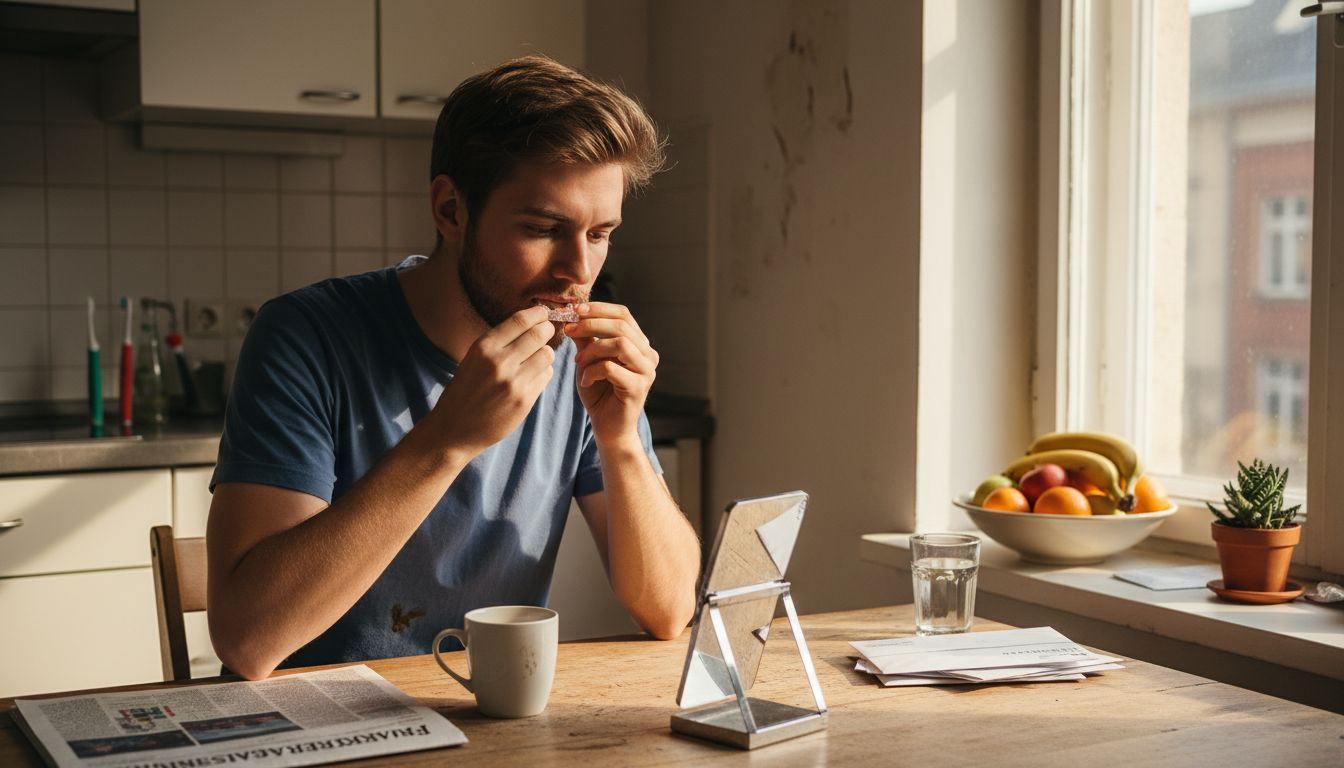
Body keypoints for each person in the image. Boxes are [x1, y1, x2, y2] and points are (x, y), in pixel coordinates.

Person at [205, 56, 701, 680]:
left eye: (600, 233)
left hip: (484, 723)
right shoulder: (306, 336)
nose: (578, 270)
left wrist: (622, 440)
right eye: (544, 228)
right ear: (450, 209)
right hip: (314, 727)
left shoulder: (577, 365)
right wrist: (448, 439)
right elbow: (248, 642)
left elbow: (668, 611)